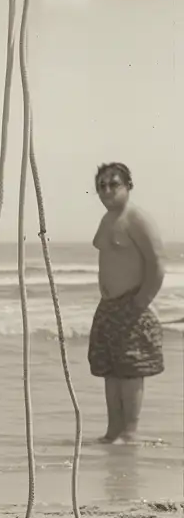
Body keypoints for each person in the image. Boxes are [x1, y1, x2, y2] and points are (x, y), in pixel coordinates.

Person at [88, 161, 167, 442]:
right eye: (101, 186)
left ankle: (130, 434)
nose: (106, 190)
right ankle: (113, 432)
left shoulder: (136, 218)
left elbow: (157, 262)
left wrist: (142, 301)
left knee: (131, 372)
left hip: (132, 304)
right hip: (109, 307)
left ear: (129, 186)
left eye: (113, 184)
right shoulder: (107, 219)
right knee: (111, 370)